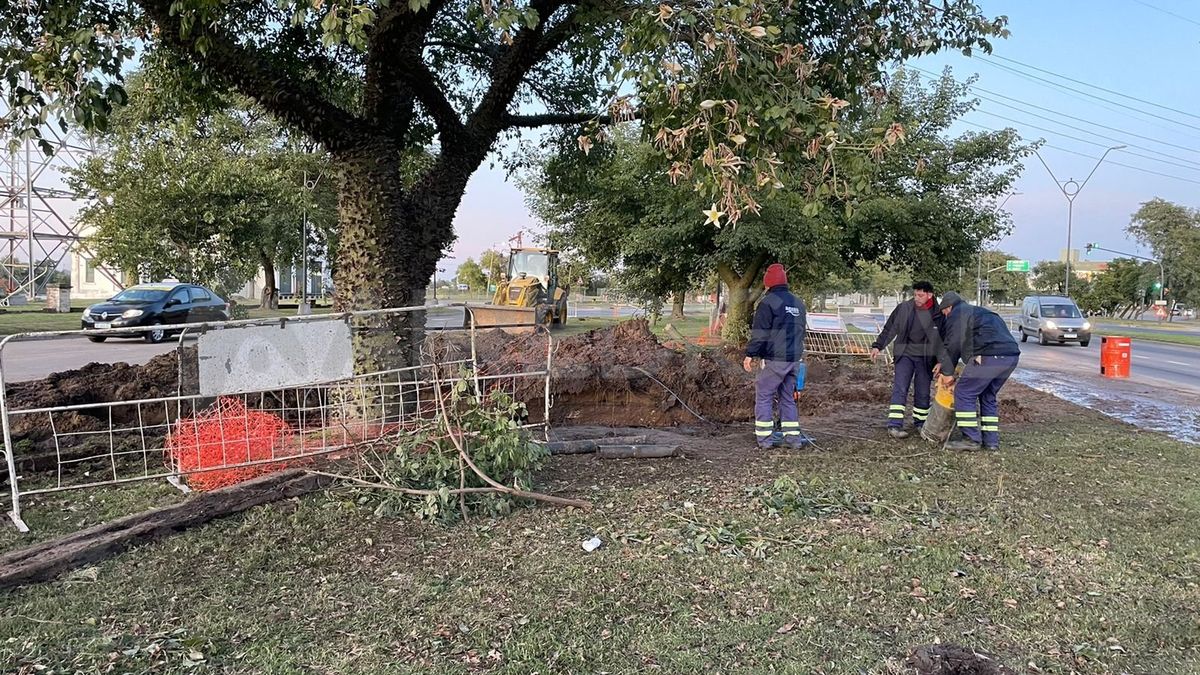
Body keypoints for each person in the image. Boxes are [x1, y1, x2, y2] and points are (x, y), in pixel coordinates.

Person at [934, 291, 1021, 451]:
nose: (945, 316)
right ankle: (991, 441)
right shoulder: (980, 312)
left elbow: (953, 344)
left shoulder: (957, 314)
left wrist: (947, 373)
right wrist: (943, 363)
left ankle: (971, 439)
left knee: (964, 392)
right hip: (1010, 357)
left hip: (988, 356)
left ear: (949, 307)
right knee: (987, 395)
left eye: (944, 312)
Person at [743, 263, 807, 449]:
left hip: (775, 359)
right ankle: (793, 440)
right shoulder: (798, 303)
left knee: (764, 395)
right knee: (787, 398)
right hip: (794, 359)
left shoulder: (768, 302)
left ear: (768, 283)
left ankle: (764, 440)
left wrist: (750, 354)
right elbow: (802, 331)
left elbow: (760, 332)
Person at [870, 281, 943, 439]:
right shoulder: (904, 308)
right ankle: (894, 425)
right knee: (900, 388)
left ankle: (921, 424)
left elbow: (942, 339)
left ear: (930, 295)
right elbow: (890, 328)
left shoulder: (938, 313)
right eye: (915, 294)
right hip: (905, 354)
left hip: (926, 358)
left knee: (923, 391)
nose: (917, 298)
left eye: (920, 295)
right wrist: (878, 346)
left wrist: (940, 361)